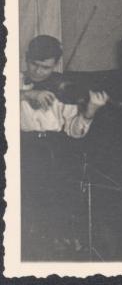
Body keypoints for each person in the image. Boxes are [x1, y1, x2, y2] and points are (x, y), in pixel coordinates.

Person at [20, 35, 108, 260]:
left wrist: (90, 112)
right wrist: (26, 94)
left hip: (54, 150)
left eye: (46, 67)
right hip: (20, 148)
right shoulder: (11, 80)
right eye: (34, 65)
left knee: (58, 203)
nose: (39, 73)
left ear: (56, 65)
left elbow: (74, 131)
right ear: (26, 59)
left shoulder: (63, 89)